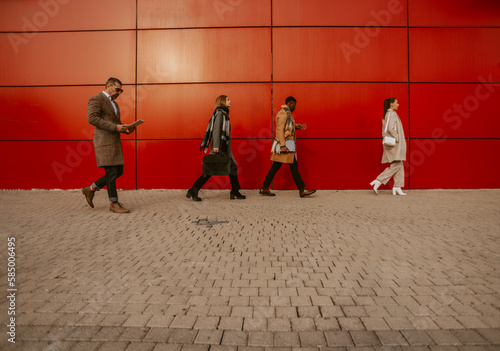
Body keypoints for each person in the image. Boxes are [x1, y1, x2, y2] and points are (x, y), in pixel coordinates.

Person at [81, 77, 135, 213]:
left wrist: (126, 128)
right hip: (104, 142)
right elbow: (92, 118)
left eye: (121, 91)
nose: (119, 93)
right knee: (111, 172)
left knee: (118, 172)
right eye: (118, 89)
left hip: (114, 142)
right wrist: (116, 127)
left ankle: (90, 189)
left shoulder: (114, 104)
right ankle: (114, 204)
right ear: (109, 86)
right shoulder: (96, 99)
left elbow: (116, 123)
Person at [186, 95, 245, 201]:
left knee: (231, 167)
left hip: (224, 147)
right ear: (222, 102)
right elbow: (216, 130)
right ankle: (194, 189)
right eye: (228, 99)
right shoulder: (220, 113)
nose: (230, 101)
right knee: (210, 169)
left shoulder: (224, 113)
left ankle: (235, 190)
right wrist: (216, 147)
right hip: (220, 147)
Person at [259, 96, 316, 197]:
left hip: (288, 145)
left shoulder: (287, 113)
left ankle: (264, 188)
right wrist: (282, 146)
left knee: (276, 167)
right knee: (293, 167)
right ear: (289, 104)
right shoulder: (283, 114)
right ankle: (302, 190)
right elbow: (280, 130)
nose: (295, 108)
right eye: (294, 105)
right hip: (286, 145)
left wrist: (297, 126)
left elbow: (287, 127)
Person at [370, 98, 407, 196]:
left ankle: (397, 187)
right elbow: (390, 128)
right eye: (396, 102)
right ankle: (378, 180)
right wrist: (397, 138)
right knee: (397, 164)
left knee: (399, 164)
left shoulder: (387, 114)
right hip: (395, 144)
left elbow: (385, 129)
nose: (398, 104)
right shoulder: (392, 114)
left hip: (392, 143)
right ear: (391, 104)